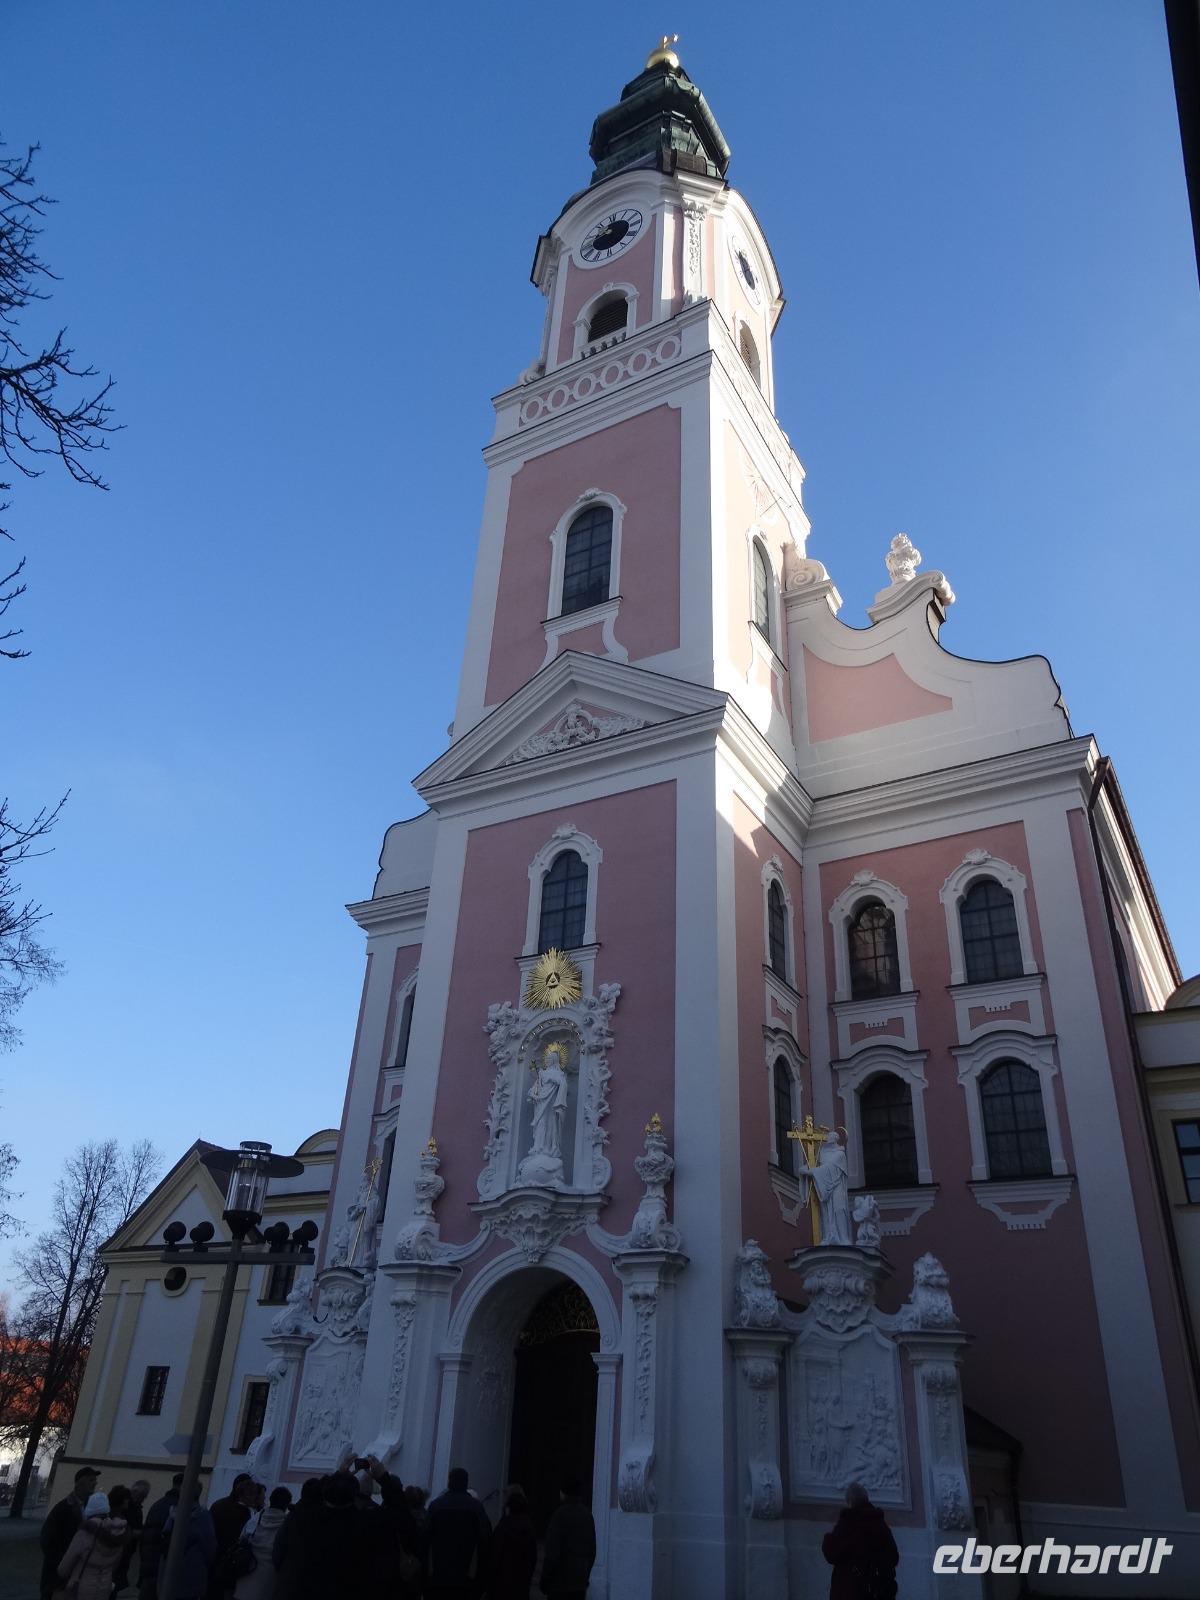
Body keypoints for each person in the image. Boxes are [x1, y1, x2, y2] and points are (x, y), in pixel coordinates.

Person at [821, 1481, 900, 1600]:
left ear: (850, 1502)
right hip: (878, 1592)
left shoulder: (848, 1523)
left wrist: (827, 1538)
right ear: (867, 1499)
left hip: (850, 1590)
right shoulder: (879, 1523)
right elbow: (893, 1557)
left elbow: (831, 1552)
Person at [425, 1466, 492, 1599]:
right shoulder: (476, 1507)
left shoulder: (436, 1505)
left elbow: (425, 1539)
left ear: (450, 1482)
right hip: (466, 1576)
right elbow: (485, 1541)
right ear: (466, 1483)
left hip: (439, 1574)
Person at [55, 1490, 129, 1600]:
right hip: (105, 1587)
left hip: (81, 1588)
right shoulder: (118, 1533)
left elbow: (65, 1567)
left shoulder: (84, 1533)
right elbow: (115, 1564)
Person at [40, 1465, 100, 1600]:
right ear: (79, 1482)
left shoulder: (92, 1509)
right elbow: (47, 1540)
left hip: (80, 1576)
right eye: (91, 1480)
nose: (95, 1483)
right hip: (58, 1576)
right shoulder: (62, 1508)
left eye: (95, 1480)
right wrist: (64, 1564)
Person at [539, 1476, 596, 1600]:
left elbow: (552, 1553)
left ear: (563, 1493)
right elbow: (592, 1551)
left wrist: (544, 1580)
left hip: (559, 1585)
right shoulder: (587, 1516)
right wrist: (584, 1576)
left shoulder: (559, 1515)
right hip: (579, 1584)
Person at [232, 1485, 292, 1600]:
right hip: (269, 1583)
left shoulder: (256, 1518)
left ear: (270, 1500)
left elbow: (242, 1539)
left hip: (246, 1578)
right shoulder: (287, 1525)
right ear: (287, 1505)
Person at [161, 1491, 218, 1600]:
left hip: (169, 1572)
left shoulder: (172, 1514)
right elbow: (209, 1545)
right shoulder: (202, 1516)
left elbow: (164, 1536)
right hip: (192, 1572)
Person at [208, 1475, 258, 1598]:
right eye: (252, 1494)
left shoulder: (218, 1505)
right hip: (231, 1564)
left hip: (215, 1561)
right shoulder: (247, 1514)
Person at [138, 1474, 183, 1600]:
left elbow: (145, 1536)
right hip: (162, 1567)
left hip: (149, 1565)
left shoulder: (157, 1504)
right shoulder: (179, 1508)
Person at [488, 1489, 537, 1600]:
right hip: (521, 1582)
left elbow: (495, 1555)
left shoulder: (503, 1527)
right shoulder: (528, 1527)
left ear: (508, 1508)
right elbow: (533, 1557)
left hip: (502, 1582)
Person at [113, 1480, 150, 1595]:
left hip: (124, 1550)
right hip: (122, 1550)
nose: (143, 1499)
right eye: (142, 1496)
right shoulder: (130, 1507)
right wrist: (138, 1533)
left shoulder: (131, 1506)